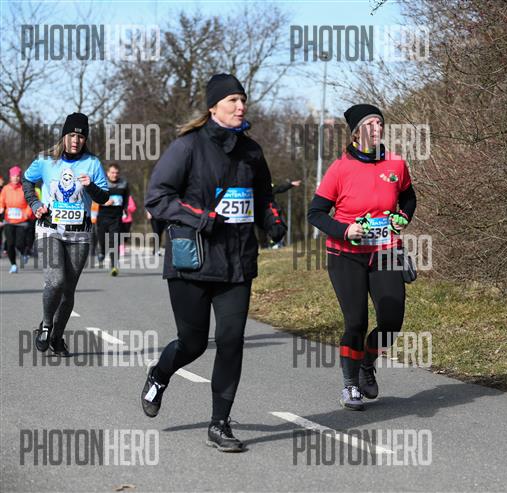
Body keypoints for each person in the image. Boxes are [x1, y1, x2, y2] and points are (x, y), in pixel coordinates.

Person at [142, 74, 286, 452]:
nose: (241, 106)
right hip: (192, 261)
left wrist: (273, 221)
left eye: (243, 100)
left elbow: (264, 196)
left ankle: (219, 424)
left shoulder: (251, 151)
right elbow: (158, 197)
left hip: (237, 263)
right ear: (213, 107)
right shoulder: (188, 146)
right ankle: (159, 374)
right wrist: (201, 218)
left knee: (231, 340)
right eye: (233, 100)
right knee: (192, 344)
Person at [307, 104, 417, 411]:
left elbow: (409, 197)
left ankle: (367, 362)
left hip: (384, 251)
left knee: (391, 320)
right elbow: (315, 213)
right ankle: (350, 384)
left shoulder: (395, 163)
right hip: (346, 255)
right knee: (356, 321)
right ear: (356, 133)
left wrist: (403, 218)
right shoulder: (340, 168)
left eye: (379, 124)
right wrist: (345, 230)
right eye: (369, 125)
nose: (377, 129)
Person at [22, 112, 109, 356]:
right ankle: (46, 325)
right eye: (71, 135)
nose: (76, 140)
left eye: (81, 137)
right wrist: (35, 204)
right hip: (49, 229)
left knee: (68, 291)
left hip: (79, 234)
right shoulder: (45, 160)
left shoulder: (93, 163)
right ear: (64, 136)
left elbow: (104, 197)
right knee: (56, 281)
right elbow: (27, 181)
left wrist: (91, 185)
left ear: (85, 139)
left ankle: (57, 337)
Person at [96, 163, 129, 276]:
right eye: (112, 172)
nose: (114, 175)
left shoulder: (124, 184)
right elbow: (95, 198)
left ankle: (114, 265)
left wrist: (125, 210)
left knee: (114, 240)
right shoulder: (102, 183)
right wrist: (104, 202)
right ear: (108, 173)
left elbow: (126, 199)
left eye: (116, 173)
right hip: (102, 216)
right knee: (102, 239)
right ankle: (102, 251)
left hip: (116, 217)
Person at [0, 166, 34, 272]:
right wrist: (1, 208)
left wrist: (27, 214)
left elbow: (30, 202)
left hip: (22, 221)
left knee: (19, 243)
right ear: (10, 177)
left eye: (18, 176)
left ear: (20, 177)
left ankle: (24, 253)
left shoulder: (24, 188)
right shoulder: (6, 189)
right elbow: (1, 201)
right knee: (10, 244)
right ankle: (13, 265)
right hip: (9, 220)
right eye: (14, 176)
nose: (16, 178)